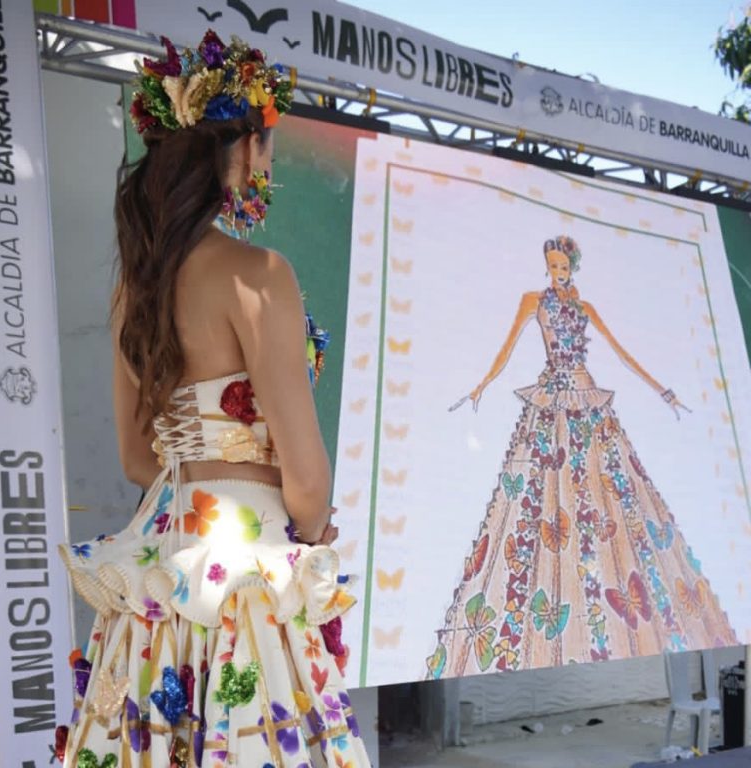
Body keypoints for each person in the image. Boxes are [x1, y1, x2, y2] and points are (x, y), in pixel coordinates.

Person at [56, 31, 370, 767]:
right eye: (265, 146)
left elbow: (140, 459)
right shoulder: (259, 274)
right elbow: (310, 483)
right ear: (239, 148)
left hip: (166, 561)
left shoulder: (133, 288)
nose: (267, 163)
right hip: (250, 570)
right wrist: (309, 532)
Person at [427, 235, 737, 680]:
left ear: (572, 265)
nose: (557, 271)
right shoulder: (533, 301)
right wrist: (480, 385)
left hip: (586, 398)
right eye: (551, 264)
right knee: (543, 503)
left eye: (563, 265)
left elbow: (621, 351)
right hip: (552, 401)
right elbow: (508, 347)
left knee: (610, 499)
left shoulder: (585, 308)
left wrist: (663, 389)